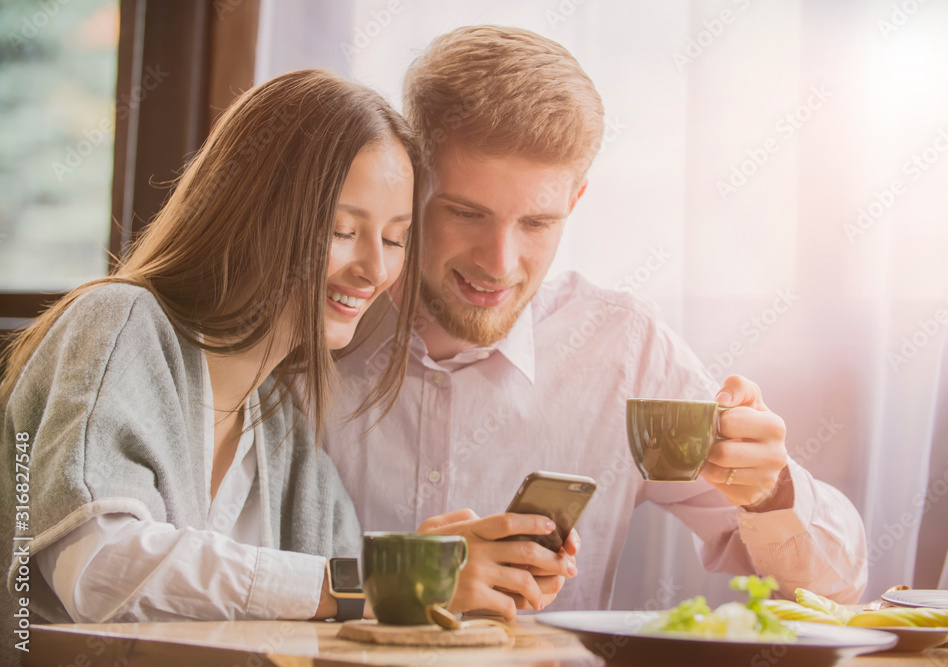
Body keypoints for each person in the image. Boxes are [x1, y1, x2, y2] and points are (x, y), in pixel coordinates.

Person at [320, 26, 868, 619]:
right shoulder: (312, 327)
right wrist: (405, 580)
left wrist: (771, 490)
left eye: (536, 223)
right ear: (409, 186)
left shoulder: (621, 349)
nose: (499, 263)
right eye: (466, 213)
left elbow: (834, 592)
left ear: (574, 202)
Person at [1, 69, 543, 640]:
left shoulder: (282, 428)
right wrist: (372, 584)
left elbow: (343, 600)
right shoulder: (120, 323)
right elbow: (100, 570)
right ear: (253, 212)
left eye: (393, 238)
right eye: (341, 230)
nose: (375, 270)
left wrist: (425, 576)